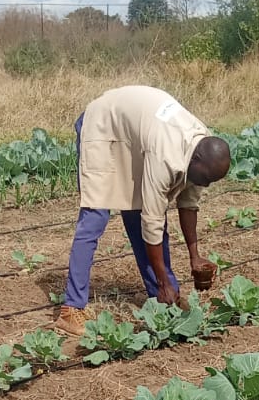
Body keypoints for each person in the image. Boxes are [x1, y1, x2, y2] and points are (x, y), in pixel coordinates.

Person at [55, 85, 231, 337]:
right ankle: (71, 309)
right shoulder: (166, 157)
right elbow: (152, 221)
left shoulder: (203, 147)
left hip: (137, 135)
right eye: (204, 178)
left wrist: (195, 256)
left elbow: (189, 204)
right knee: (95, 216)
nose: (205, 184)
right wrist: (163, 281)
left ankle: (162, 298)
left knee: (137, 214)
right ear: (195, 161)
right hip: (104, 126)